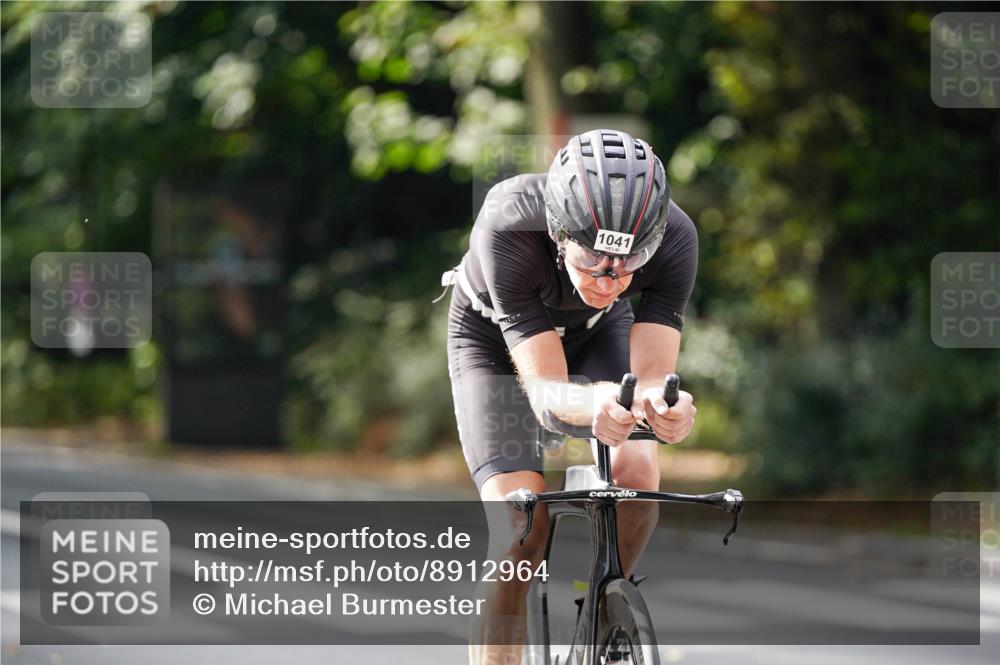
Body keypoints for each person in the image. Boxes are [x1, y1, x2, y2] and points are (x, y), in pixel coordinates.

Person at [444, 129, 698, 664]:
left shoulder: (675, 236)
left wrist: (667, 409)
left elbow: (654, 376)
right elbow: (548, 395)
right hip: (492, 340)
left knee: (638, 474)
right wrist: (601, 403)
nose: (608, 280)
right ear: (559, 233)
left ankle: (601, 616)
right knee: (519, 531)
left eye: (626, 267)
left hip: (598, 332)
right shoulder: (509, 222)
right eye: (592, 262)